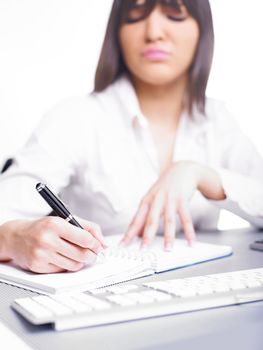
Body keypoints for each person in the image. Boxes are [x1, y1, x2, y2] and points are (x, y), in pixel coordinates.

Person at [0, 0, 263, 273]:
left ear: (202, 33)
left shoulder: (218, 121)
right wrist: (12, 238)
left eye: (175, 15)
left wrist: (204, 175)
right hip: (102, 300)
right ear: (117, 34)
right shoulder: (75, 118)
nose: (154, 32)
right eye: (136, 16)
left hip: (197, 292)